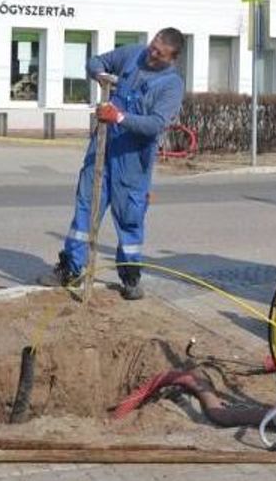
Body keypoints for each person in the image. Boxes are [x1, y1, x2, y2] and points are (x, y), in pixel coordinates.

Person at [39, 28, 185, 299]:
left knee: (130, 219)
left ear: (171, 58)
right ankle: (71, 268)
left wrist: (119, 118)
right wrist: (100, 74)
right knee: (84, 211)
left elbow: (155, 125)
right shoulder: (132, 54)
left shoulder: (171, 85)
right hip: (101, 152)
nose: (151, 54)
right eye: (153, 46)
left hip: (132, 163)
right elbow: (96, 61)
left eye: (158, 53)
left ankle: (130, 277)